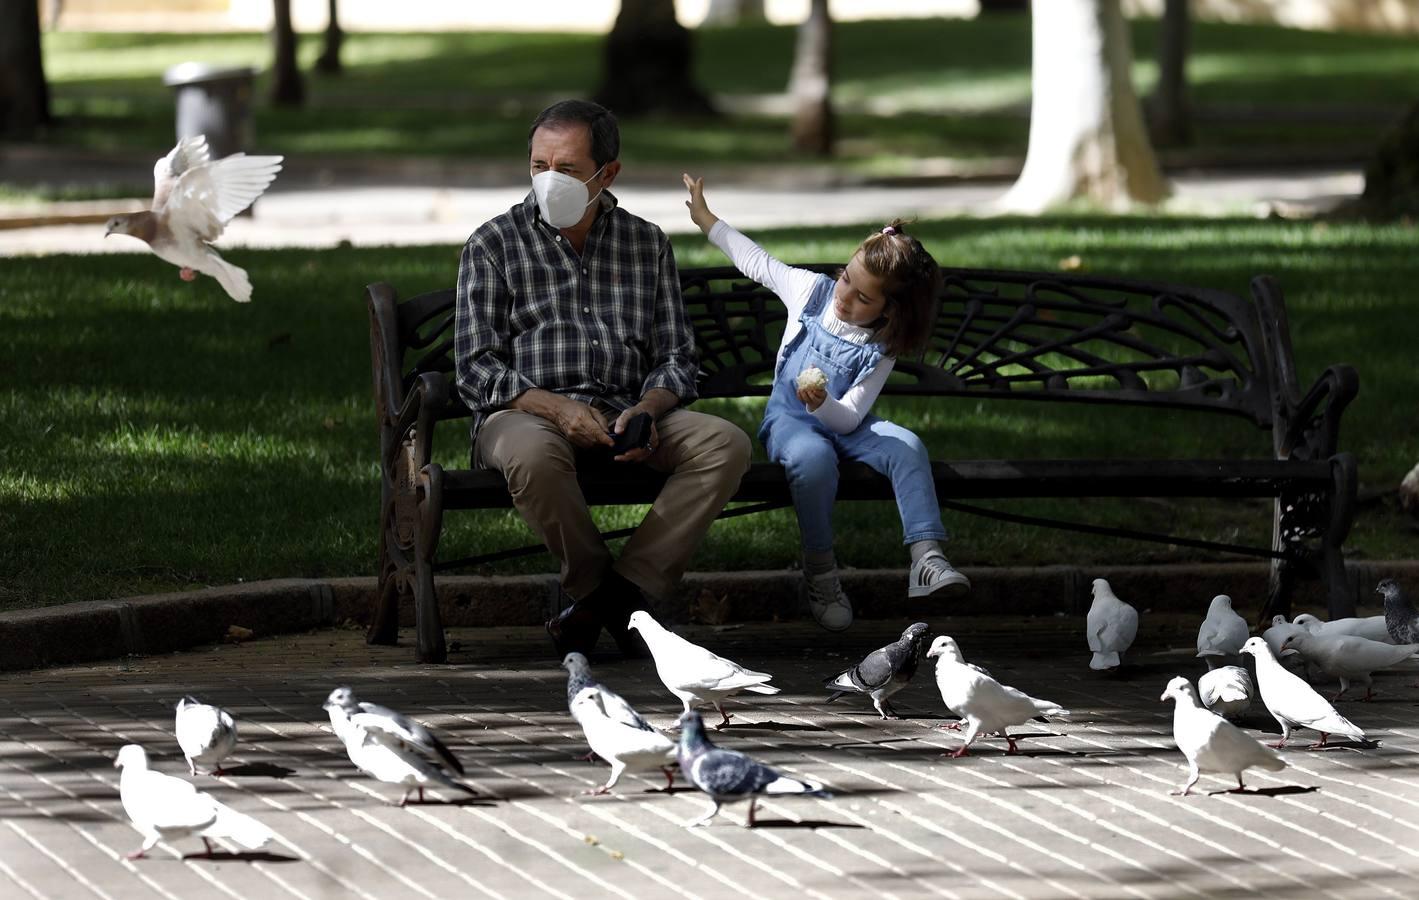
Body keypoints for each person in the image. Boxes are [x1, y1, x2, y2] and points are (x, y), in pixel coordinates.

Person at [453, 100, 751, 658]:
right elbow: (476, 369)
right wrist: (559, 409)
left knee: (725, 444)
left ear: (606, 173)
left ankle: (612, 599)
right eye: (538, 165)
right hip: (525, 413)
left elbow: (678, 357)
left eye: (564, 169)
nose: (547, 180)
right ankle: (606, 596)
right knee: (534, 455)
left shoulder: (645, 243)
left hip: (625, 411)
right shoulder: (493, 244)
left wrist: (649, 409)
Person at [682, 173, 971, 632]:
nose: (844, 296)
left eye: (862, 298)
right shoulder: (809, 293)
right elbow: (756, 261)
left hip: (844, 421)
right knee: (813, 460)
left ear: (889, 311)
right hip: (791, 421)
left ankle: (927, 557)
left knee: (907, 446)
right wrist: (705, 218)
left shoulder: (883, 345)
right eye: (845, 279)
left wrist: (823, 405)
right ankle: (820, 570)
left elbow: (852, 415)